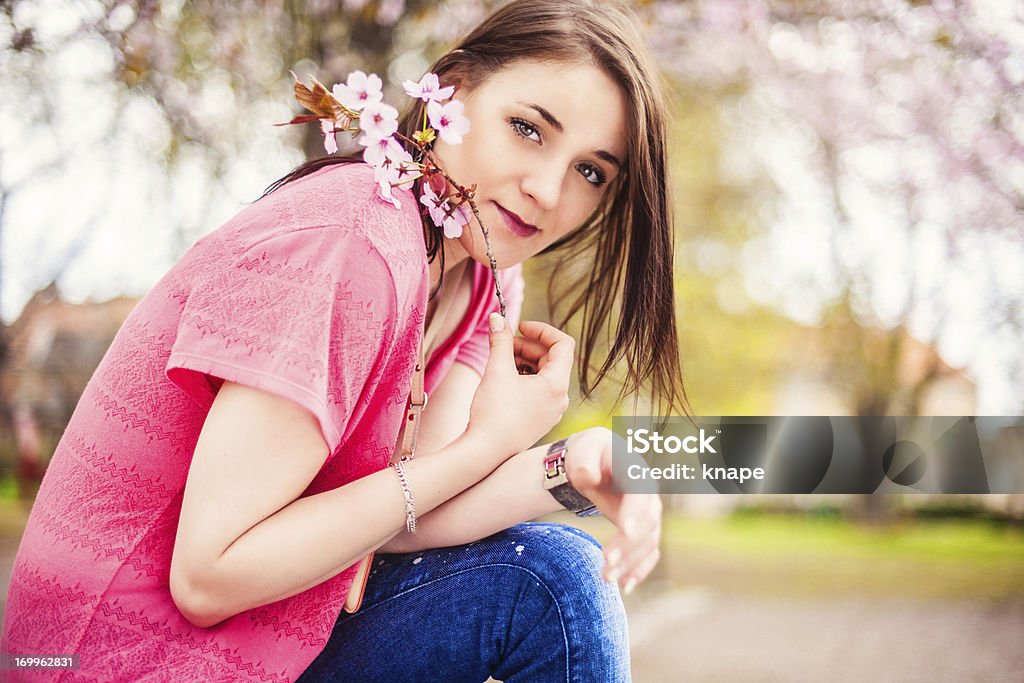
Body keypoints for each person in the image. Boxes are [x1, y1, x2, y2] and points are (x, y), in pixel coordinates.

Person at [0, 0, 688, 680]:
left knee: (556, 573)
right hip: (113, 656)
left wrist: (577, 464)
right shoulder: (352, 242)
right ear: (452, 90)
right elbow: (208, 575)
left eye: (591, 172)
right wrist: (489, 443)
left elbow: (409, 514)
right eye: (528, 129)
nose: (547, 189)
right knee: (553, 581)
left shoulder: (485, 277)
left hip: (273, 635)